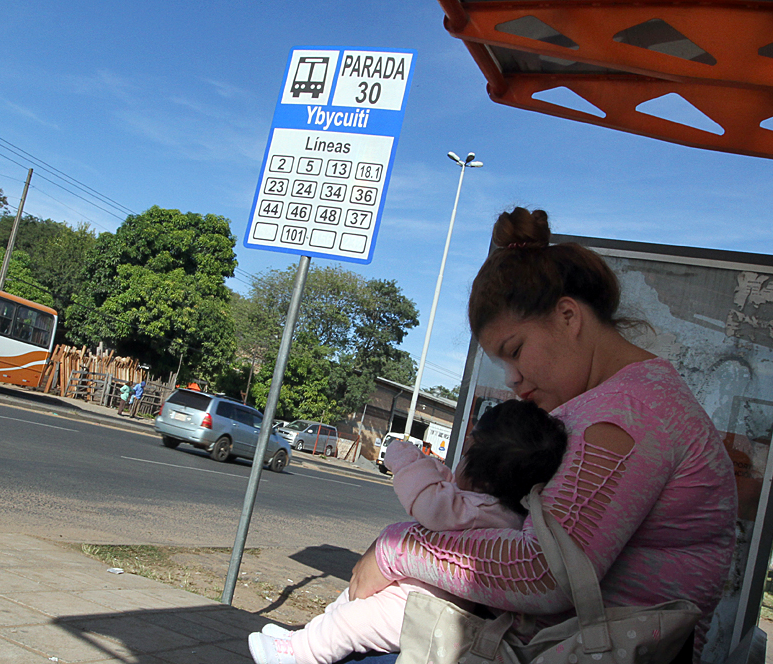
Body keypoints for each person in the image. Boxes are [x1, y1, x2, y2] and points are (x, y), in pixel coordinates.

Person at [346, 208, 738, 663]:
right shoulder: (616, 401)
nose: (513, 379)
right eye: (502, 364)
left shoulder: (629, 414)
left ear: (568, 316)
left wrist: (400, 546)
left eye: (515, 352)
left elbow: (545, 573)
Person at [248, 399, 568, 664]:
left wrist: (404, 459)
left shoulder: (482, 508)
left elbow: (429, 500)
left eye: (466, 452)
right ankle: (306, 638)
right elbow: (447, 491)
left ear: (479, 472)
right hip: (417, 597)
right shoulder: (498, 510)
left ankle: (300, 654)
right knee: (349, 608)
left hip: (416, 609)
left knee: (352, 622)